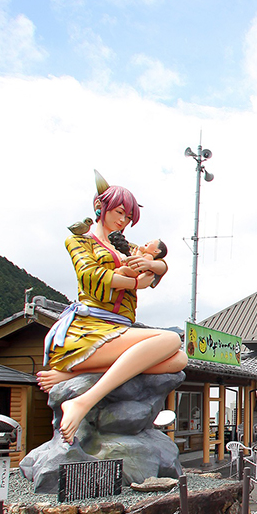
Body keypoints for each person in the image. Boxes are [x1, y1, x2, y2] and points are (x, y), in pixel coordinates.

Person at [37, 171, 187, 443]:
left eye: (129, 217)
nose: (123, 220)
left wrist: (150, 266)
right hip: (89, 329)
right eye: (119, 212)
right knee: (170, 339)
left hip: (119, 329)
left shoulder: (126, 245)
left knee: (179, 360)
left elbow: (160, 264)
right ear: (100, 207)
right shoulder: (80, 240)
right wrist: (134, 283)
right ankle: (82, 402)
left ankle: (74, 373)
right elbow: (89, 275)